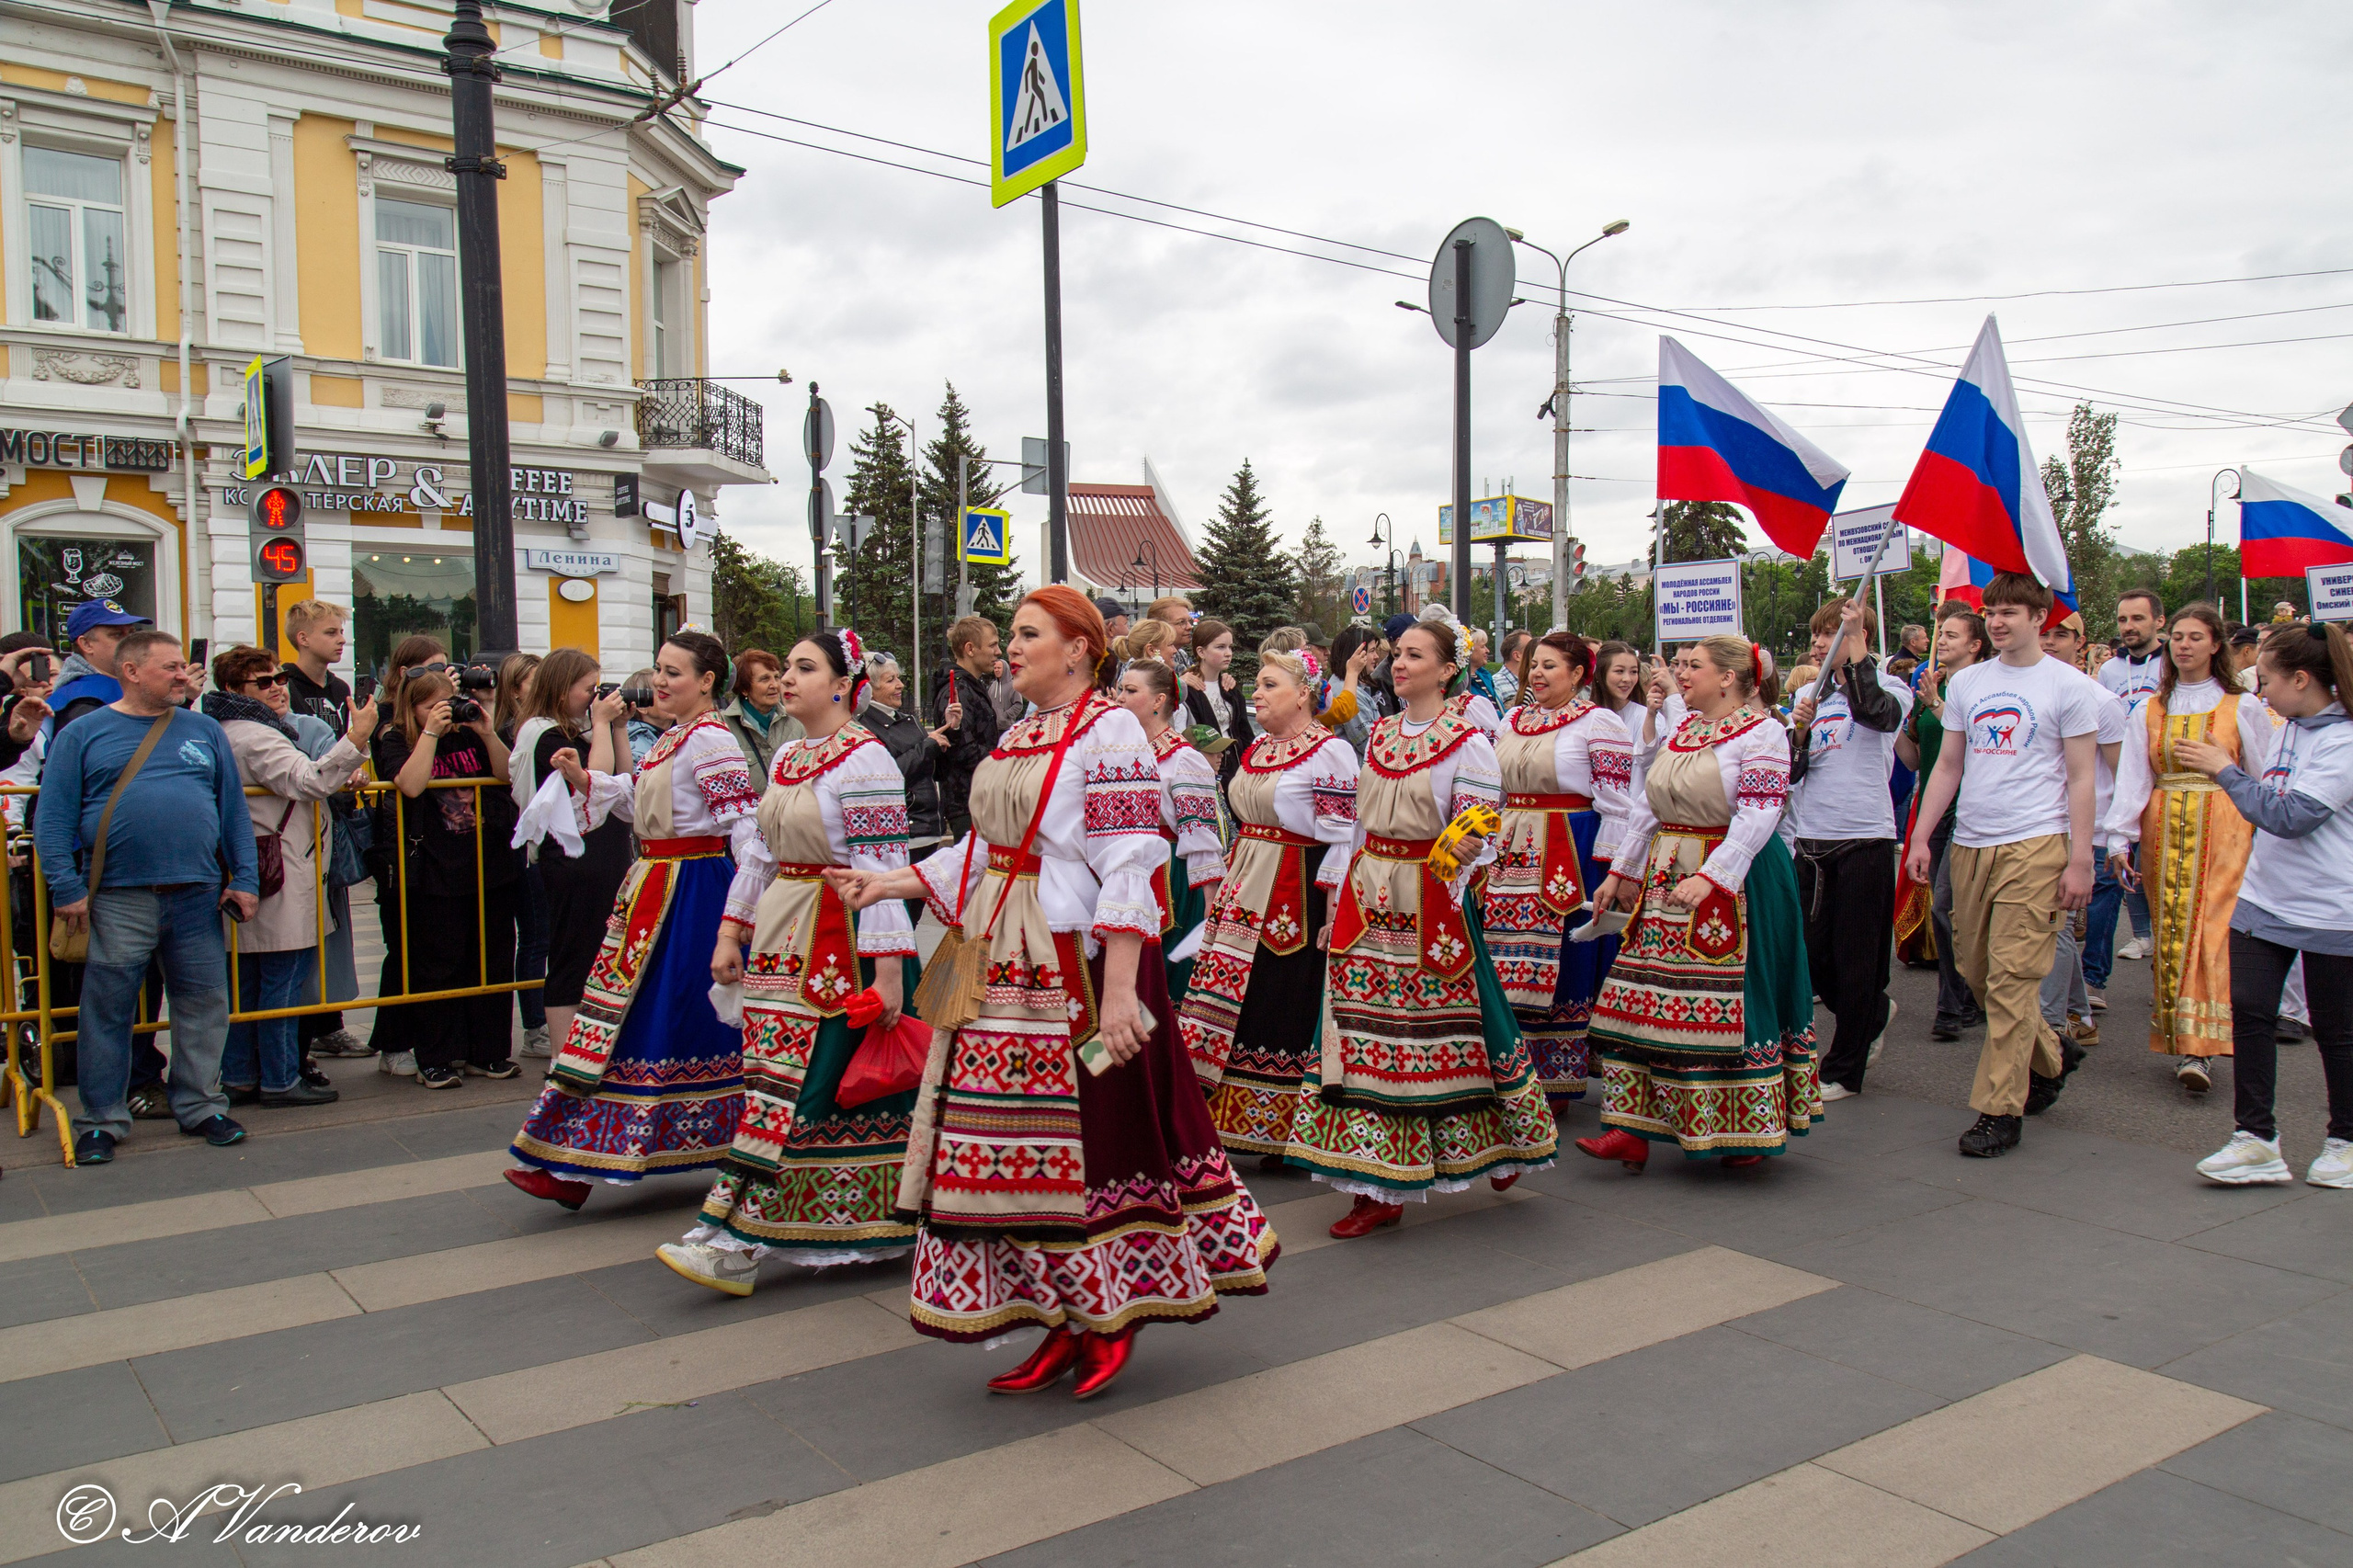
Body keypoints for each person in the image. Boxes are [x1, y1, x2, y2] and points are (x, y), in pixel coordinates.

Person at [831, 586, 1273, 1399]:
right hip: (998, 954)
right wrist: (888, 878)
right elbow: (987, 848)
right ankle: (1058, 1316)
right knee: (999, 1149)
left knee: (1091, 1141)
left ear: (1078, 650)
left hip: (1072, 962)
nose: (1013, 647)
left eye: (1029, 634)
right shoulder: (1020, 734)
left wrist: (1118, 994)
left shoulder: (1106, 728)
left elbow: (1131, 855)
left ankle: (1109, 1311)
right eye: (1011, 635)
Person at [658, 631, 925, 1293]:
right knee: (771, 1081)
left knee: (811, 1086)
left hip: (844, 945)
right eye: (786, 669)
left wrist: (888, 972)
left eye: (805, 668)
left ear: (843, 684)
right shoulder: (787, 756)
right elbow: (757, 854)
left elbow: (884, 869)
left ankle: (742, 1241)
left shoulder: (868, 762)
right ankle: (752, 1224)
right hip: (786, 936)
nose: (788, 679)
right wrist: (731, 932)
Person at [1293, 619, 1557, 1233]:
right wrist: (1345, 898)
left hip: (1428, 899)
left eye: (1417, 655)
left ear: (1446, 671)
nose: (1401, 663)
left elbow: (1478, 827)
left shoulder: (1468, 740)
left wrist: (1430, 883)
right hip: (1369, 897)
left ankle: (1447, 1162)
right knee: (1365, 1036)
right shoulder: (1380, 733)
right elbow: (1359, 824)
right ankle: (1374, 1183)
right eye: (1399, 654)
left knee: (1443, 1033)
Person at [507, 632, 756, 1208]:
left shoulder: (711, 740)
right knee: (621, 1020)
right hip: (655, 887)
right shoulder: (678, 737)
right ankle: (570, 1158)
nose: (661, 682)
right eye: (660, 671)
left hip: (692, 893)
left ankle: (578, 1161)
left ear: (707, 682)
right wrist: (581, 778)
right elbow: (639, 797)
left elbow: (741, 826)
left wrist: (747, 912)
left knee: (649, 1022)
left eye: (674, 673)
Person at [1580, 637, 1818, 1170]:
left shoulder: (1764, 735)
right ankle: (1630, 1126)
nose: (1679, 674)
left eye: (1693, 666)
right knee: (1642, 993)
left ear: (1730, 678)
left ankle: (1742, 1130)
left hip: (1737, 877)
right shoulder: (1685, 729)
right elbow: (1648, 805)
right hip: (1669, 871)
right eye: (1680, 665)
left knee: (1728, 996)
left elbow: (1759, 815)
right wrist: (1622, 872)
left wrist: (1714, 878)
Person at [39, 631, 258, 1164]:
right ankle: (101, 1120)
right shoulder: (84, 733)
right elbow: (53, 816)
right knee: (107, 1011)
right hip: (117, 897)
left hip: (197, 894)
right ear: (131, 671)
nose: (184, 675)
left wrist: (245, 879)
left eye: (184, 667)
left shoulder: (204, 730)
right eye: (171, 668)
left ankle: (202, 1105)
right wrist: (65, 887)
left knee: (204, 1006)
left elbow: (233, 814)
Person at [1904, 572, 2096, 1158]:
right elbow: (1948, 766)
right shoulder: (1968, 683)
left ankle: (1998, 1108)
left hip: (2037, 843)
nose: (1998, 620)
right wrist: (1921, 836)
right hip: (1971, 843)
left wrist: (2081, 857)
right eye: (1992, 611)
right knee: (1977, 970)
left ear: (2041, 619)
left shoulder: (2069, 686)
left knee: (2013, 980)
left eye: (2012, 611)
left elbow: (2083, 776)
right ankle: (2053, 1053)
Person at [2176, 623, 2353, 1187]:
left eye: (2268, 680)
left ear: (2301, 680)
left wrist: (2221, 771)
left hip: (2331, 909)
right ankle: (2256, 1139)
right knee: (2249, 1014)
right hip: (2263, 900)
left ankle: (2345, 1141)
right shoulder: (2287, 729)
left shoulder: (2344, 741)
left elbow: (2288, 815)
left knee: (2336, 1030)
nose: (2260, 692)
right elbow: (2267, 796)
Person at [1182, 647, 1358, 1165]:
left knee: (1283, 999)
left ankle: (1284, 1129)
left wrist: (1332, 910)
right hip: (1248, 885)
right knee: (1239, 1000)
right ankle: (1231, 1119)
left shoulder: (1330, 753)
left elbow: (1342, 838)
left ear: (1304, 693)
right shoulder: (1258, 748)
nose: (1255, 694)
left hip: (1294, 894)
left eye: (1269, 684)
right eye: (1257, 684)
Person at [2103, 604, 2272, 1093]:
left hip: (2226, 828)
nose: (2183, 645)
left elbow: (2262, 778)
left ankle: (2204, 1048)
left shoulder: (2244, 707)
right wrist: (2120, 838)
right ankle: (2183, 1040)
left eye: (2195, 637)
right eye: (2177, 636)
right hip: (2165, 828)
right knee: (2174, 930)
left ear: (2215, 645)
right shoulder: (2151, 709)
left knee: (2213, 932)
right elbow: (2134, 777)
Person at [203, 644, 371, 1108]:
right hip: (276, 868)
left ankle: (240, 1075)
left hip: (255, 867)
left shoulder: (224, 729)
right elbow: (312, 779)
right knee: (281, 980)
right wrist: (357, 739)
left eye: (279, 677)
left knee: (250, 983)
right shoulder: (256, 735)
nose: (277, 686)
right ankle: (279, 1079)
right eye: (264, 682)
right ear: (238, 690)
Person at [1487, 631, 1632, 1104]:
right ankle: (1511, 1068)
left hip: (1569, 851)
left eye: (1550, 666)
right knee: (1503, 955)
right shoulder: (1512, 719)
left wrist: (1611, 866)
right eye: (1535, 665)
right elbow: (1498, 791)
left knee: (1564, 959)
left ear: (1577, 675)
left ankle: (1557, 1076)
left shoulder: (1599, 723)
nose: (1538, 674)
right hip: (1511, 852)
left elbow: (1616, 805)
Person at [1784, 599, 1912, 1101]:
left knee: (1857, 959)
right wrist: (1798, 730)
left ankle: (1844, 1068)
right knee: (1814, 958)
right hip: (1812, 840)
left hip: (1863, 838)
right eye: (1817, 635)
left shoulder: (1886, 687)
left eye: (1831, 634)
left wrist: (1857, 652)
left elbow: (1879, 716)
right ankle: (1872, 1013)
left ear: (1856, 638)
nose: (1819, 644)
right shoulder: (1817, 696)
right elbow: (1794, 774)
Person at [376, 663, 519, 1089]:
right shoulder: (397, 738)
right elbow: (412, 784)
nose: (442, 712)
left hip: (489, 863)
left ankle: (488, 1053)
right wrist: (430, 734)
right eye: (430, 705)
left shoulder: (471, 733)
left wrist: (487, 730)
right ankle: (434, 1057)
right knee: (437, 965)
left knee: (493, 961)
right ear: (411, 707)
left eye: (447, 704)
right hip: (436, 869)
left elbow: (506, 774)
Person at [509, 649, 633, 1062]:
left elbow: (620, 779)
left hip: (602, 853)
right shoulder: (544, 735)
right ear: (561, 690)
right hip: (572, 858)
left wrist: (617, 728)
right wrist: (599, 723)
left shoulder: (573, 731)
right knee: (571, 956)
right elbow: (591, 784)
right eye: (587, 689)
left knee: (600, 955)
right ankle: (565, 1058)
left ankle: (594, 1050)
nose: (594, 696)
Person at [2035, 612, 2126, 1052]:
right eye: (2044, 633)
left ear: (2081, 642)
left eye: (2060, 634)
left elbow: (2121, 775)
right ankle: (2079, 1013)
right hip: (2036, 827)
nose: (2050, 642)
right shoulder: (2027, 692)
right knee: (2059, 928)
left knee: (2056, 924)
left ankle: (2051, 1030)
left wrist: (2116, 840)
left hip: (2085, 833)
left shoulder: (2101, 701)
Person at [1898, 608, 1988, 1039]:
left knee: (1946, 906)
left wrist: (1935, 701)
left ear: (1976, 645)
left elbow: (1970, 739)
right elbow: (1915, 758)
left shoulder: (1982, 686)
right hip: (1934, 807)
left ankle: (1952, 1007)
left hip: (1972, 808)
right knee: (1951, 910)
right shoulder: (1929, 688)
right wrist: (1890, 724)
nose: (1942, 641)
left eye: (1953, 635)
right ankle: (1972, 996)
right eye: (1940, 635)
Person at [1116, 660, 1223, 999]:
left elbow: (1201, 833)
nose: (1119, 697)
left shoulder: (1183, 759)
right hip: (1124, 869)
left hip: (1169, 878)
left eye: (1131, 691)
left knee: (1161, 973)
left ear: (1159, 701)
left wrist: (1210, 896)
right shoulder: (1122, 752)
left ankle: (1163, 1046)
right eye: (1120, 689)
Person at [2095, 589, 2165, 971]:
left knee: (2162, 862)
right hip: (2123, 768)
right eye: (2122, 620)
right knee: (2129, 856)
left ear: (2159, 621)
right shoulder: (2110, 670)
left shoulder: (2171, 662)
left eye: (2138, 619)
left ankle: (2168, 940)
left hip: (2164, 771)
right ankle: (2143, 934)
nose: (2129, 627)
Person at [493, 653, 551, 1058]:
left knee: (542, 935)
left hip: (536, 843)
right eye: (535, 680)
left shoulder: (543, 725)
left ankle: (541, 1019)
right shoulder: (514, 730)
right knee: (533, 938)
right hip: (520, 845)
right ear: (515, 688)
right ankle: (534, 1025)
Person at [930, 616, 1006, 839]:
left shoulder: (970, 686)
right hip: (968, 802)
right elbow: (962, 749)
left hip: (977, 798)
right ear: (970, 649)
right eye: (992, 645)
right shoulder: (957, 691)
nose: (999, 651)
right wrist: (1004, 759)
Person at [44, 598, 147, 738]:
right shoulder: (81, 701)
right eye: (117, 635)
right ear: (86, 644)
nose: (130, 641)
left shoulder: (127, 683)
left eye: (132, 633)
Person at [1181, 618, 1252, 786]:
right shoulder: (1189, 691)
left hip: (1236, 768)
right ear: (1201, 652)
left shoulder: (1230, 688)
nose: (1228, 653)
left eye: (1230, 647)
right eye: (1220, 647)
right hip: (1206, 768)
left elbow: (1244, 732)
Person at [721, 648, 801, 782]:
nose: (775, 685)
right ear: (745, 689)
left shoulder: (796, 721)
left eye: (776, 677)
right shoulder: (724, 728)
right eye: (765, 679)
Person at [1593, 641, 1643, 727]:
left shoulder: (1645, 718)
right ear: (1599, 674)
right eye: (1619, 671)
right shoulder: (1583, 718)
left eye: (1633, 672)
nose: (1627, 679)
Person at [1494, 630, 1531, 709]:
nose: (1536, 654)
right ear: (1517, 656)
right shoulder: (1496, 684)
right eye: (1530, 650)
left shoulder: (1533, 681)